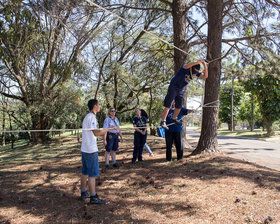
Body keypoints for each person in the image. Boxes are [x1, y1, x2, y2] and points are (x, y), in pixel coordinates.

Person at [80, 99, 118, 204]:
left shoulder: (88, 116)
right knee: (92, 174)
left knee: (85, 171)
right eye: (99, 104)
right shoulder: (91, 117)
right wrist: (109, 128)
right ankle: (93, 197)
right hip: (90, 150)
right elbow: (96, 133)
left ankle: (84, 192)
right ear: (95, 106)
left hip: (85, 149)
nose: (100, 106)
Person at [160, 59, 208, 130]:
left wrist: (205, 65)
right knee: (168, 104)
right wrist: (196, 62)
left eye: (197, 71)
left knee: (179, 106)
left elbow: (205, 76)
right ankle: (163, 121)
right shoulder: (185, 67)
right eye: (195, 70)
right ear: (192, 68)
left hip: (181, 89)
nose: (196, 72)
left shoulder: (195, 72)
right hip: (174, 86)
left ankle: (174, 118)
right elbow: (186, 66)